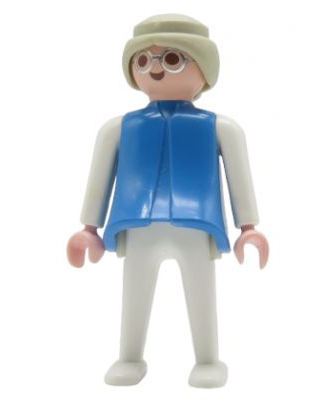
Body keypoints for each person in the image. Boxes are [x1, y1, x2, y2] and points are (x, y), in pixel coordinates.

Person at [67, 14, 269, 388]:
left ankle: (207, 361)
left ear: (204, 69)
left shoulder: (219, 127)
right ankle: (130, 358)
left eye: (172, 59)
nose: (156, 69)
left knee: (201, 295)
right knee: (134, 295)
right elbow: (99, 176)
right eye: (144, 60)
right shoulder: (119, 128)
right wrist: (89, 228)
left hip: (197, 224)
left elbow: (239, 175)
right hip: (136, 224)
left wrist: (248, 227)